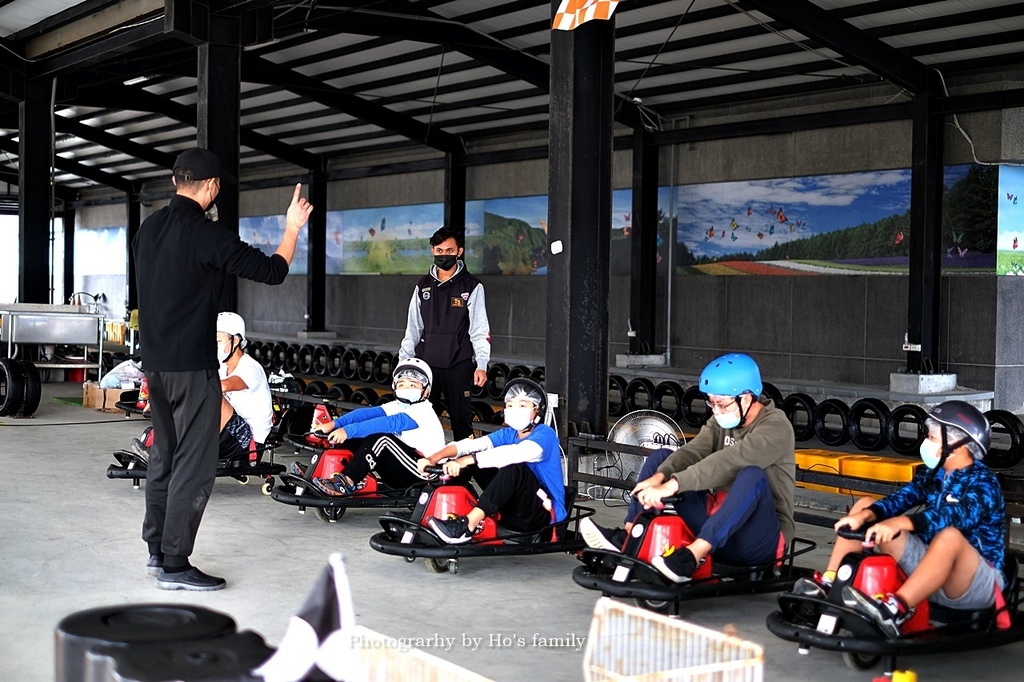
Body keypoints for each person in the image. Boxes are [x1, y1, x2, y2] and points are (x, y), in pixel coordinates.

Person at [134, 147, 313, 591]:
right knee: (194, 464)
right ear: (212, 187)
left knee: (164, 456)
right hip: (193, 367)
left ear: (177, 181)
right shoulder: (208, 235)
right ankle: (175, 565)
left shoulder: (148, 229)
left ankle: (157, 553)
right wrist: (292, 227)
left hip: (154, 364)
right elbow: (273, 271)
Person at [793, 400, 1006, 638]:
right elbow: (901, 499)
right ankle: (830, 585)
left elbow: (953, 516)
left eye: (932, 438)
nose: (926, 442)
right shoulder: (933, 475)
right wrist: (867, 515)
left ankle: (895, 610)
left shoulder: (985, 483)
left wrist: (901, 523)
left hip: (975, 583)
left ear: (956, 445)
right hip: (931, 568)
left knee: (950, 536)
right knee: (866, 505)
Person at [580, 353, 795, 583]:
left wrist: (673, 485)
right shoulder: (721, 419)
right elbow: (694, 451)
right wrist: (660, 477)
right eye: (711, 403)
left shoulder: (776, 427)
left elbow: (729, 461)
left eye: (721, 404)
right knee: (662, 458)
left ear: (746, 398)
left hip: (758, 539)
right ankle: (628, 536)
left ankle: (691, 557)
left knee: (752, 475)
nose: (716, 411)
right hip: (716, 520)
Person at [416, 377, 566, 544]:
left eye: (522, 405)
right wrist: (433, 458)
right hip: (513, 508)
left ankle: (467, 526)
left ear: (537, 410)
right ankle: (447, 513)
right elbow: (469, 446)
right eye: (510, 405)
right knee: (473, 459)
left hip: (542, 513)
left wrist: (467, 460)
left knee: (513, 467)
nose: (515, 410)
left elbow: (518, 453)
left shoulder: (545, 433)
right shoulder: (509, 434)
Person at [399, 226, 490, 442]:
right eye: (439, 251)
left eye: (449, 251)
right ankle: (423, 470)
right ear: (432, 251)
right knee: (420, 420)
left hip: (458, 365)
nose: (444, 255)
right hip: (426, 366)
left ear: (459, 252)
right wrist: (404, 362)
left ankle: (462, 472)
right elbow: (413, 327)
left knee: (461, 421)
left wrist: (482, 364)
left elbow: (479, 328)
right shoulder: (422, 286)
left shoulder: (472, 286)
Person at [309, 358, 445, 495]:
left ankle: (347, 481)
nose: (406, 389)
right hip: (404, 465)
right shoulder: (397, 406)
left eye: (413, 385)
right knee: (354, 439)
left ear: (426, 391)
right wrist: (335, 424)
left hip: (423, 473)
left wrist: (348, 431)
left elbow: (388, 424)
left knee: (381, 439)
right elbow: (366, 414)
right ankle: (320, 470)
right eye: (401, 384)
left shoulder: (423, 411)